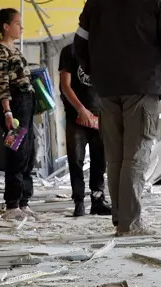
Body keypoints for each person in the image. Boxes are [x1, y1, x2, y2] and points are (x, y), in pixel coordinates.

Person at [75, 0, 161, 236]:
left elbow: (80, 43)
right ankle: (130, 224)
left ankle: (120, 218)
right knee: (135, 157)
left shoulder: (94, 3)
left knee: (115, 159)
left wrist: (95, 73)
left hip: (107, 89)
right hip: (143, 85)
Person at [0, 8, 36, 220]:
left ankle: (24, 201)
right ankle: (12, 204)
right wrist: (7, 111)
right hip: (14, 105)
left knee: (29, 153)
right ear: (6, 27)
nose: (21, 27)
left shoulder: (15, 49)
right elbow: (3, 84)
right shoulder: (0, 51)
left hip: (27, 103)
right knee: (16, 154)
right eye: (17, 23)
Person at [58, 42, 112, 218]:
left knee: (100, 160)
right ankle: (79, 202)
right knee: (76, 160)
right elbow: (65, 85)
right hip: (77, 116)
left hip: (100, 115)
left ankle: (98, 200)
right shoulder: (70, 51)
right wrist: (81, 109)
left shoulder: (104, 49)